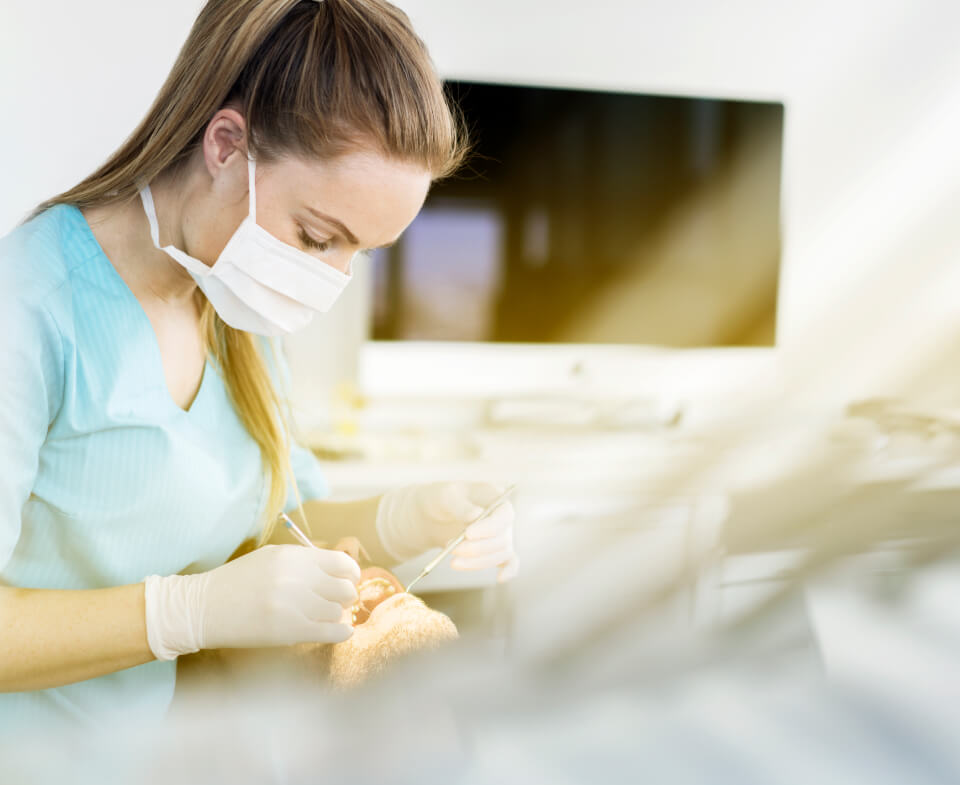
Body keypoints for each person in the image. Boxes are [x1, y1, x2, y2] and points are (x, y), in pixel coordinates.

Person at [0, 0, 518, 734]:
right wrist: (185, 612)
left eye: (360, 253)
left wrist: (408, 517)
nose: (333, 279)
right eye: (317, 237)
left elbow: (274, 529)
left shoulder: (232, 302)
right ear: (224, 145)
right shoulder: (29, 306)